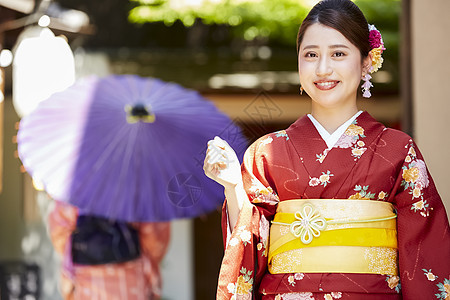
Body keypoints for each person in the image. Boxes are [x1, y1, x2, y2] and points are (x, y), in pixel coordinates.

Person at [203, 0, 450, 299]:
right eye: (311, 55)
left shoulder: (398, 150)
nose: (323, 68)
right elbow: (251, 246)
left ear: (366, 62)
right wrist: (232, 187)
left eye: (338, 54)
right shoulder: (266, 153)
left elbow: (425, 254)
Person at [48, 200, 170, 300]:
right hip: (130, 281)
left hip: (86, 280)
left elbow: (59, 233)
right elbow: (155, 239)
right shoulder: (137, 186)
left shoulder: (76, 186)